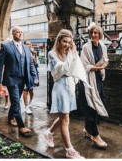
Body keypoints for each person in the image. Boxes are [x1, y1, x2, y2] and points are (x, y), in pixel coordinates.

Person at [44, 29, 87, 159]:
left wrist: (72, 52)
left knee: (64, 115)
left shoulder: (70, 52)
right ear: (59, 40)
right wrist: (72, 55)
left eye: (69, 42)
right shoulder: (52, 53)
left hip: (70, 86)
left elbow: (77, 68)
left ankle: (49, 132)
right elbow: (63, 69)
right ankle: (69, 150)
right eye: (64, 41)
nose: (66, 44)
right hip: (60, 87)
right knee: (66, 118)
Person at [0, 26, 38, 136]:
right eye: (17, 32)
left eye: (21, 32)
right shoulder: (6, 46)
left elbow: (31, 64)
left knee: (15, 100)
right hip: (11, 79)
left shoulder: (26, 48)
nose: (20, 34)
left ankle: (10, 118)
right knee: (16, 102)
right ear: (13, 34)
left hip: (23, 79)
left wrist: (35, 76)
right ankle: (21, 126)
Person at [79, 23, 109, 149]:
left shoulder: (102, 46)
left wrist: (103, 67)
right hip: (87, 82)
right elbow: (84, 66)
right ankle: (96, 136)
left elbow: (105, 60)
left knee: (98, 105)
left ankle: (87, 129)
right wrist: (98, 67)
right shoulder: (86, 47)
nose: (93, 35)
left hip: (97, 81)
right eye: (91, 32)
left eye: (96, 33)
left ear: (100, 34)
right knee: (90, 108)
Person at [22, 40, 39, 115]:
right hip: (25, 73)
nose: (29, 45)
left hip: (33, 73)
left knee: (31, 90)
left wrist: (34, 55)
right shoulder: (22, 51)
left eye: (30, 44)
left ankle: (30, 101)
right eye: (27, 44)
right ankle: (26, 107)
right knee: (25, 90)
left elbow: (36, 64)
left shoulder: (33, 53)